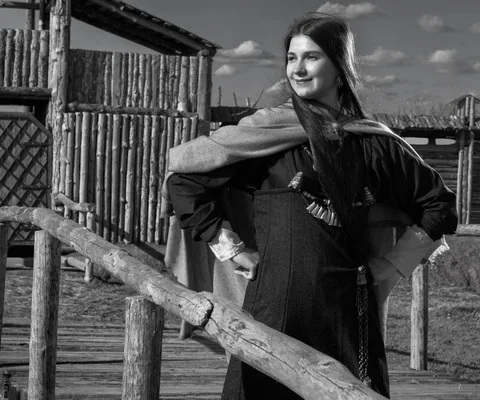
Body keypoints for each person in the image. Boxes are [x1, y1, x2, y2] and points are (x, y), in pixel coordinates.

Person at [164, 12, 457, 399]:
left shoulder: (374, 144)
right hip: (273, 311)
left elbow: (439, 207)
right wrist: (230, 248)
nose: (298, 69)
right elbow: (184, 180)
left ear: (340, 68)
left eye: (312, 57)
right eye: (291, 58)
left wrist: (389, 264)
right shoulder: (263, 137)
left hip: (349, 316)